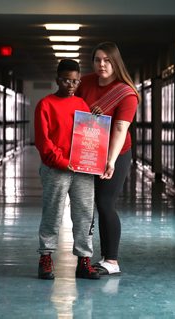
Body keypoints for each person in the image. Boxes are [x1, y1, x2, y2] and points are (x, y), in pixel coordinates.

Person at [76, 42, 140, 275]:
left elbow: (121, 130)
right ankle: (85, 256)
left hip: (117, 152)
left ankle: (111, 261)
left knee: (104, 203)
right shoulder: (85, 82)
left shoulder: (126, 92)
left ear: (116, 62)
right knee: (85, 204)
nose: (102, 64)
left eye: (107, 60)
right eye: (97, 60)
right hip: (89, 148)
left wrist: (110, 161)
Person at [34, 59, 100, 280]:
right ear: (57, 80)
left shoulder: (82, 105)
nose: (70, 85)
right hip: (56, 169)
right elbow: (44, 143)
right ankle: (45, 257)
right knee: (53, 213)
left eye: (75, 81)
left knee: (84, 213)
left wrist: (96, 118)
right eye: (66, 80)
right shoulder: (45, 104)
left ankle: (84, 261)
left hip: (82, 170)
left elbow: (89, 137)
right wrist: (64, 162)